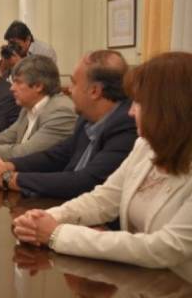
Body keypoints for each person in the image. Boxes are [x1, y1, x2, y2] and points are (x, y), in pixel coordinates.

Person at [13, 52, 192, 273]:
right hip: (142, 283)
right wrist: (47, 217)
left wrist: (57, 234)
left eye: (139, 103)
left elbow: (164, 248)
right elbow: (104, 199)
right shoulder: (145, 146)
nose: (131, 111)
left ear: (169, 109)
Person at [0, 50, 137, 199]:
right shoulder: (87, 118)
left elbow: (84, 181)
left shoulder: (125, 126)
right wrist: (8, 166)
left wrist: (7, 178)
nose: (69, 89)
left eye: (74, 83)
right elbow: (57, 156)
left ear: (95, 91)